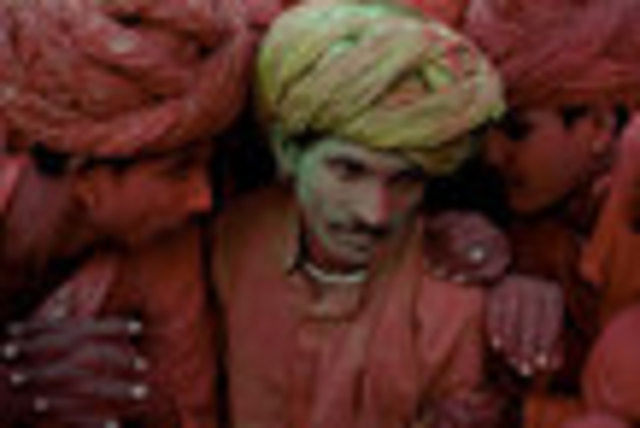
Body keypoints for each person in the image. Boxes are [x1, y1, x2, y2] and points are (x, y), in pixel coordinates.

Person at [210, 3, 505, 427]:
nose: (375, 214)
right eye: (348, 170)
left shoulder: (451, 302)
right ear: (287, 152)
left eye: (404, 180)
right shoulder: (228, 245)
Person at [0, 0, 280, 425]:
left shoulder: (165, 250)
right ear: (86, 178)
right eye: (179, 171)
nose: (202, 199)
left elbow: (190, 407)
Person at [452, 0, 640, 426]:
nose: (492, 154)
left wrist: (519, 415)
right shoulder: (515, 213)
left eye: (516, 130)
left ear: (598, 126)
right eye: (484, 131)